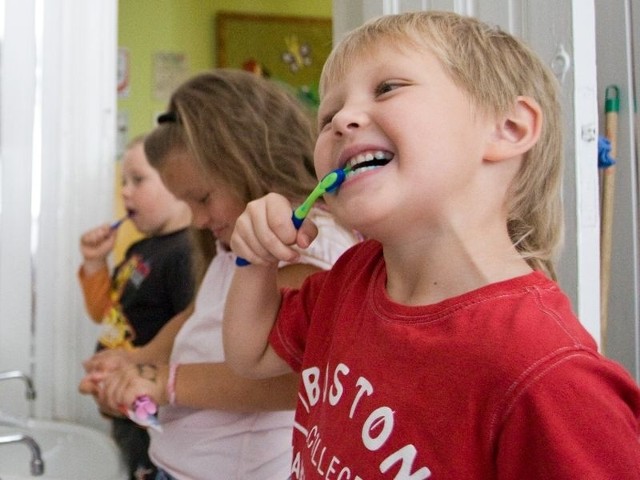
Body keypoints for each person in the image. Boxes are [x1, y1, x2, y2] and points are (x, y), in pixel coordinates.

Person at [223, 11, 640, 480]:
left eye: (387, 88)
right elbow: (250, 354)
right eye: (326, 116)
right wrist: (255, 260)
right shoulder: (353, 278)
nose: (340, 120)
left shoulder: (552, 380)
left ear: (509, 127)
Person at [79, 69, 360, 480]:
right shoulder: (237, 245)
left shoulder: (302, 245)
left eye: (203, 197)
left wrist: (165, 380)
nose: (196, 218)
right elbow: (196, 316)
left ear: (250, 160)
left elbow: (295, 380)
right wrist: (137, 360)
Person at [78, 135, 195, 480]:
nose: (125, 191)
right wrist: (95, 263)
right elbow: (104, 312)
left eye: (138, 180)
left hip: (151, 413)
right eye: (123, 182)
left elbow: (190, 337)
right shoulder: (139, 249)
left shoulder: (185, 254)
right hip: (121, 404)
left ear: (177, 182)